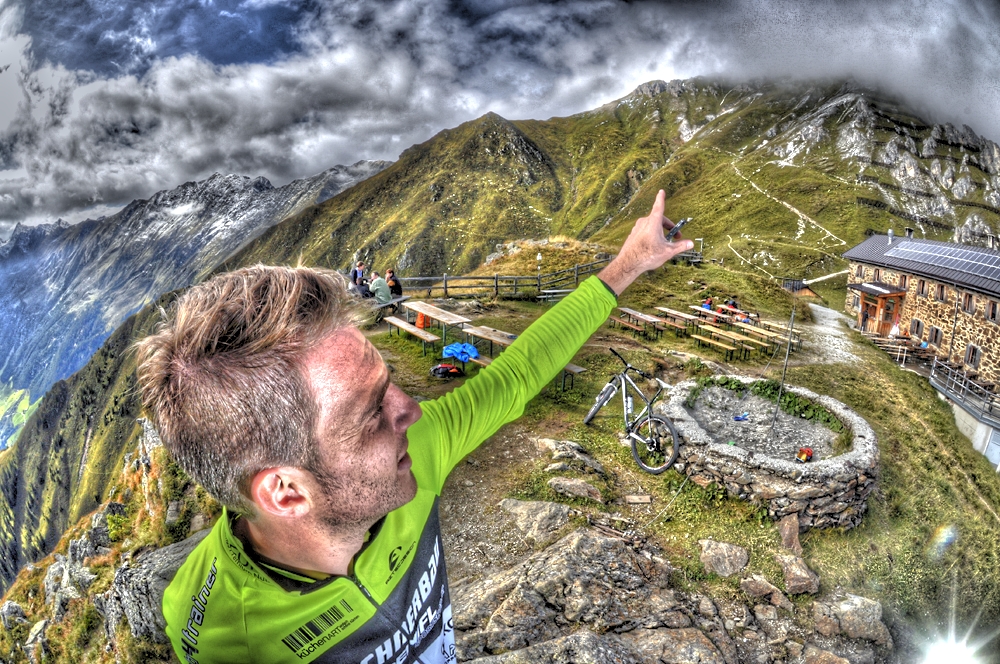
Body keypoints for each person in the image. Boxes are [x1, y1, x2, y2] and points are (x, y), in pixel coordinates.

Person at [135, 190, 693, 663]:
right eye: (372, 411)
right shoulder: (224, 638)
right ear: (285, 492)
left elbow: (518, 376)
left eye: (389, 382)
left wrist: (631, 263)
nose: (414, 412)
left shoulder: (417, 450)